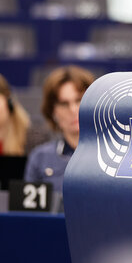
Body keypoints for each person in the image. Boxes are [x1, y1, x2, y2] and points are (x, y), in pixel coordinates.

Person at [24, 65, 95, 193]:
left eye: (79, 100)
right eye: (64, 104)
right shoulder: (40, 158)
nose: (73, 110)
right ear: (53, 112)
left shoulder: (115, 155)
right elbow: (30, 211)